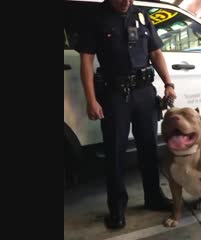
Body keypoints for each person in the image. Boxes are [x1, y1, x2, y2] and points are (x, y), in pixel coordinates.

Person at [75, 0, 177, 229]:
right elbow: (86, 61)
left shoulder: (141, 15)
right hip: (114, 95)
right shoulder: (95, 18)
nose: (126, 2)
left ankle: (153, 197)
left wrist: (168, 84)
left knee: (149, 148)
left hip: (144, 93)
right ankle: (117, 208)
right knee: (115, 153)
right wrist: (91, 100)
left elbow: (155, 52)